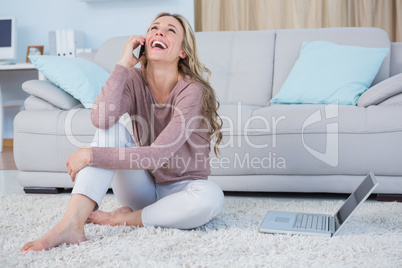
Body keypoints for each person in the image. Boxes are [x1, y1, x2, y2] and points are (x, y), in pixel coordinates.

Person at [21, 12, 224, 253]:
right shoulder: (133, 78)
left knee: (211, 197)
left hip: (184, 191)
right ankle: (71, 224)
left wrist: (91, 155)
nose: (159, 32)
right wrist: (123, 66)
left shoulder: (191, 91)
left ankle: (119, 219)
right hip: (143, 188)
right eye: (154, 28)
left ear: (183, 52)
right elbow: (101, 119)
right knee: (112, 128)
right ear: (145, 41)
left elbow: (158, 155)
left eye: (171, 30)